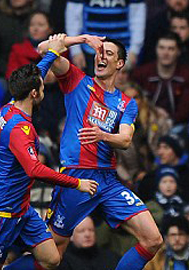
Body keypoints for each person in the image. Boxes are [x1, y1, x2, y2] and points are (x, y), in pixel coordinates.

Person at [36, 34, 163, 270]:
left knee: (153, 239)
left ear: (120, 64)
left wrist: (102, 135)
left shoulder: (126, 103)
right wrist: (81, 39)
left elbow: (125, 140)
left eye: (108, 54)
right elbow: (44, 48)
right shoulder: (77, 80)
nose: (101, 56)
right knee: (53, 253)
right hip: (76, 177)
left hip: (107, 180)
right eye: (99, 52)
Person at [0, 44, 99, 270]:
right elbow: (35, 170)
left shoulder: (10, 106)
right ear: (35, 93)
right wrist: (77, 183)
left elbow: (36, 74)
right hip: (2, 209)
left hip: (22, 208)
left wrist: (53, 53)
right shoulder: (18, 129)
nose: (44, 85)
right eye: (41, 86)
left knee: (51, 259)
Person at [132, 32, 189, 125]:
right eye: (161, 48)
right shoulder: (141, 74)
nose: (165, 53)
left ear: (178, 51)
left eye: (171, 49)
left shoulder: (188, 75)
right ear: (156, 49)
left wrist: (168, 120)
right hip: (144, 122)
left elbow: (186, 110)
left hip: (178, 125)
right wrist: (152, 112)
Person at [65, 0, 146, 74]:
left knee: (122, 88)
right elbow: (73, 17)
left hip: (123, 50)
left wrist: (134, 51)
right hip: (90, 51)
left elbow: (137, 17)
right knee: (93, 88)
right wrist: (76, 50)